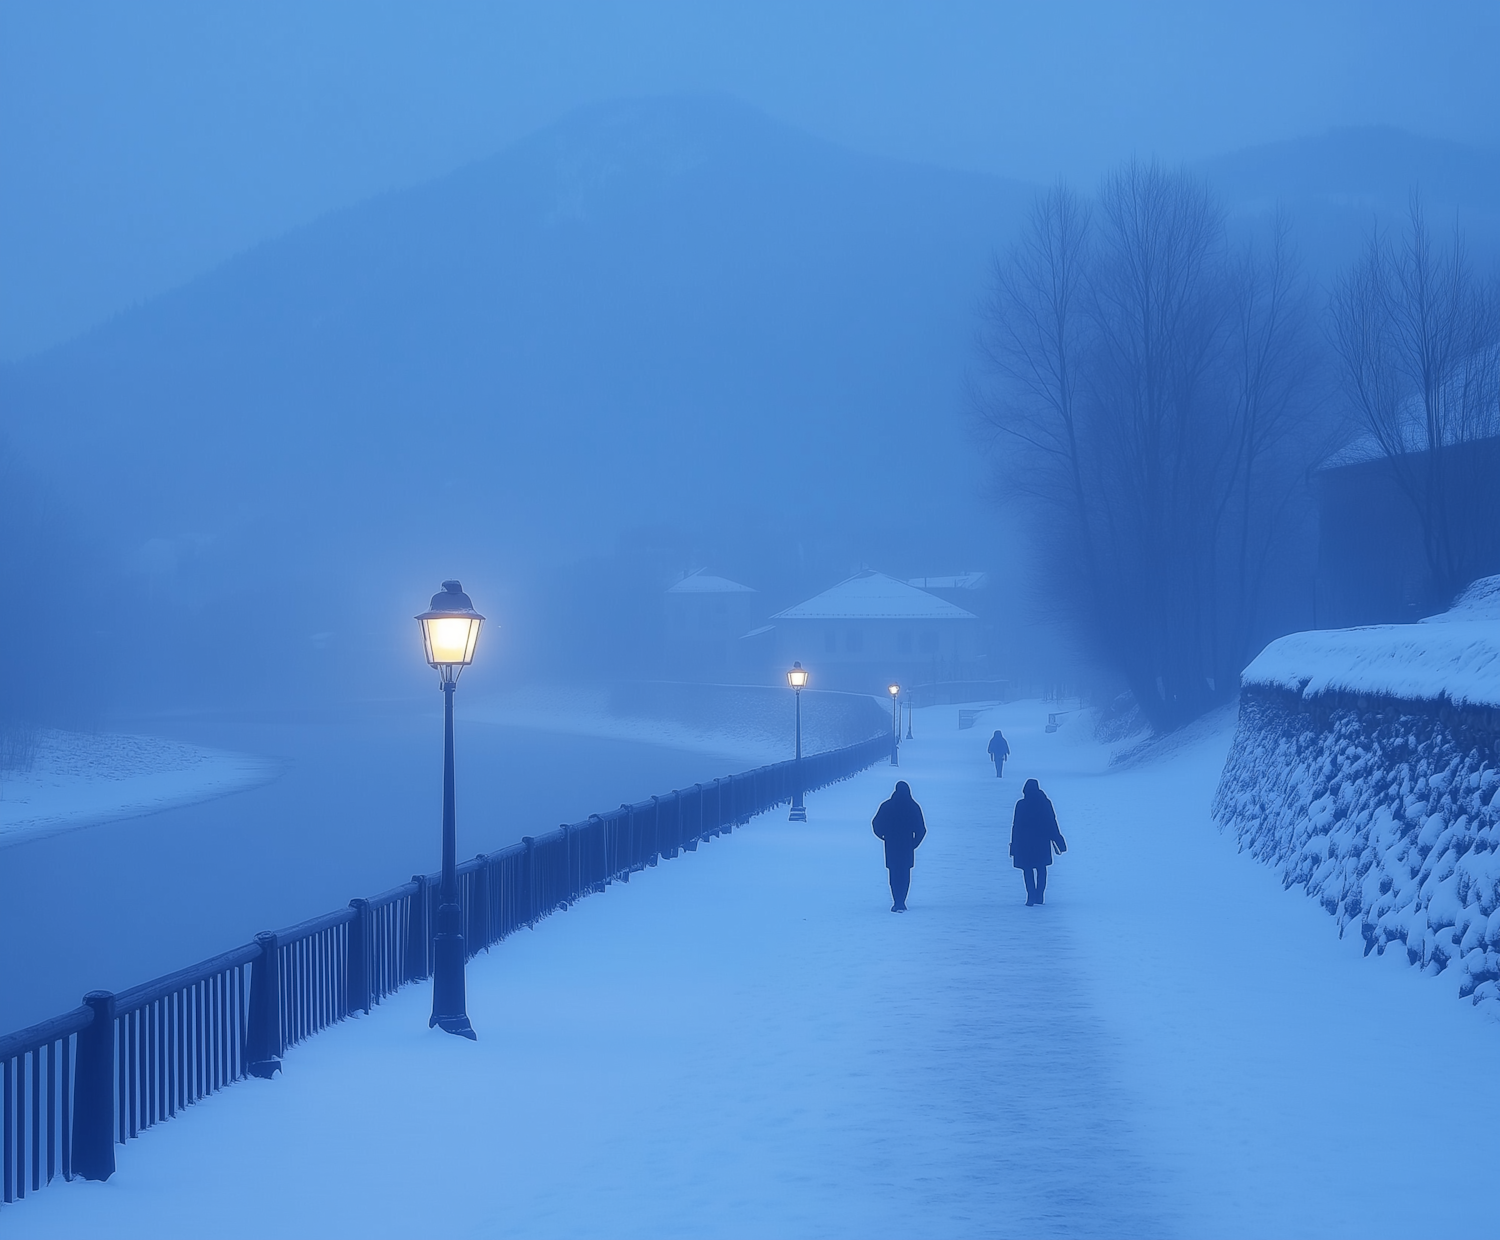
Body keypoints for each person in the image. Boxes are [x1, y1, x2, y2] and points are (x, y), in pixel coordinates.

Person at [872, 780, 927, 912]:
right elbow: (922, 830)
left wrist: (883, 836)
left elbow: (875, 824)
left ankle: (896, 900)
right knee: (905, 874)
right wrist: (914, 844)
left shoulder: (886, 806)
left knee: (894, 873)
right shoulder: (914, 807)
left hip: (891, 845)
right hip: (907, 845)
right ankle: (902, 900)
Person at [1010, 777, 1066, 906]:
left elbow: (1016, 826)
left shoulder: (1021, 804)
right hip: (1042, 843)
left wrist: (1013, 846)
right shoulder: (1045, 803)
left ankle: (1030, 896)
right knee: (1041, 868)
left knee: (1027, 869)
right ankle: (1040, 896)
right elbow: (1052, 822)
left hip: (1024, 843)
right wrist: (1058, 839)